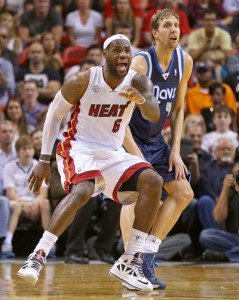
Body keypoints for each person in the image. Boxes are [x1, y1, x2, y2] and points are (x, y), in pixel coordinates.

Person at [17, 34, 164, 292]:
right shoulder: (82, 80)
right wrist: (44, 159)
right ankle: (38, 255)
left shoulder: (138, 81)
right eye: (117, 50)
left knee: (153, 180)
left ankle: (130, 260)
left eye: (127, 51)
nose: (123, 55)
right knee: (84, 190)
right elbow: (54, 115)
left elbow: (154, 114)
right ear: (104, 55)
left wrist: (139, 99)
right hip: (79, 148)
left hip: (112, 152)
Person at [120, 8, 194, 290]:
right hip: (129, 137)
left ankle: (147, 255)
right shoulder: (141, 64)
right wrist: (136, 158)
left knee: (183, 192)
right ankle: (130, 262)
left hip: (156, 140)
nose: (174, 29)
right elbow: (121, 115)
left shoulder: (184, 61)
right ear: (154, 32)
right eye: (167, 25)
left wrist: (175, 149)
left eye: (176, 24)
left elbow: (178, 109)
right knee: (135, 194)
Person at [3, 135, 51, 258]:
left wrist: (35, 203)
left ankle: (48, 245)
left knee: (45, 202)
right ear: (18, 151)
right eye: (24, 149)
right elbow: (10, 193)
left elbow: (43, 193)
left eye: (30, 148)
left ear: (34, 150)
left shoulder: (41, 167)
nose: (27, 151)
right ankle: (7, 243)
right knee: (17, 206)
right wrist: (23, 203)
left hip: (35, 202)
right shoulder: (9, 167)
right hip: (17, 201)